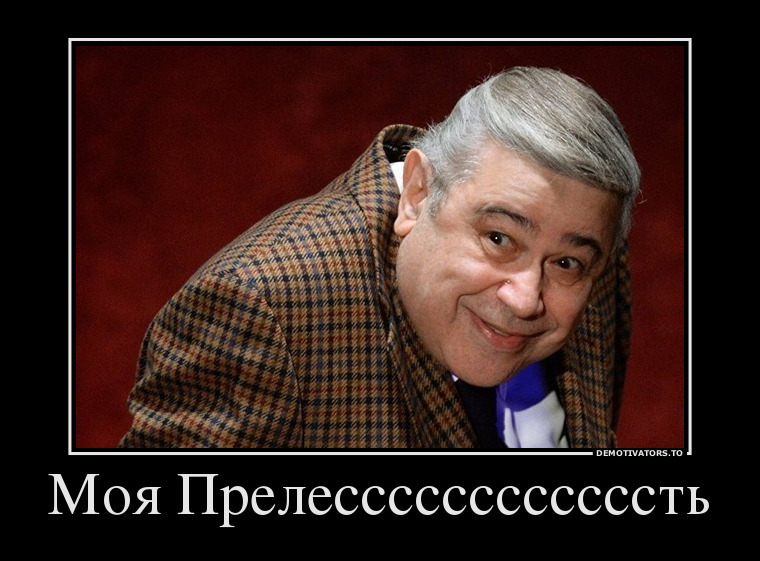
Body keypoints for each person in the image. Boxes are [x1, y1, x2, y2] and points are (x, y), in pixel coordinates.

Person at [118, 66, 640, 449]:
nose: (526, 299)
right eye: (499, 239)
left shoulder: (589, 260)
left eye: (565, 264)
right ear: (417, 194)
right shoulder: (264, 309)